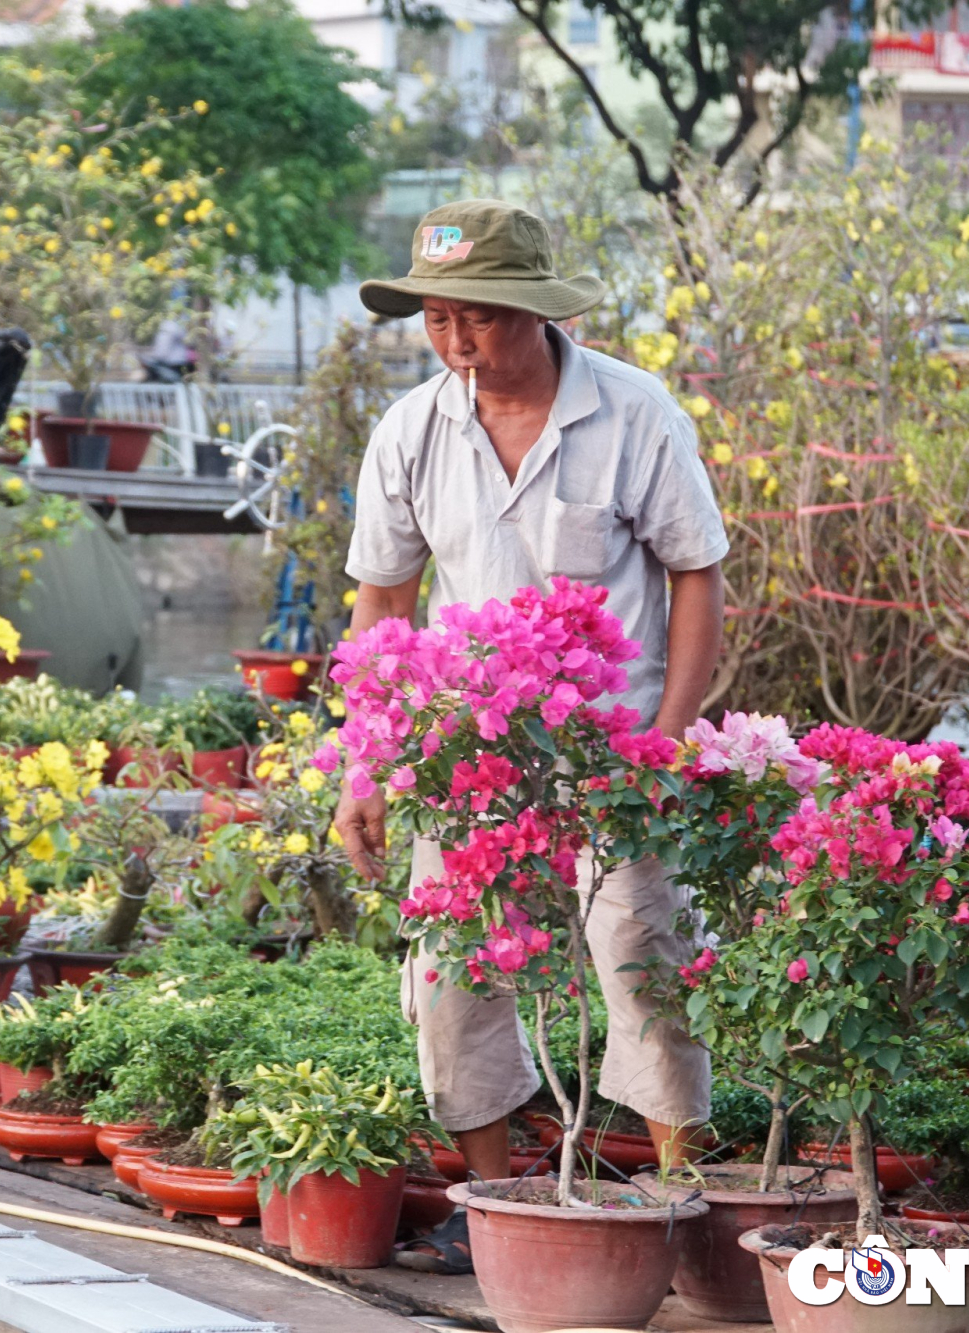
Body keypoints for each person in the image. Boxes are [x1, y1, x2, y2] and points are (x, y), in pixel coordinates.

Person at [331, 199, 728, 1272]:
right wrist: (367, 764)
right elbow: (382, 602)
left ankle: (683, 1189)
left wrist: (668, 737)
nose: (458, 344)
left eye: (480, 319)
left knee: (640, 953)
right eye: (437, 321)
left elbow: (696, 577)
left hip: (615, 753)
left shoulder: (635, 416)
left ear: (535, 312)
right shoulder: (412, 428)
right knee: (455, 969)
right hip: (467, 751)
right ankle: (489, 1197)